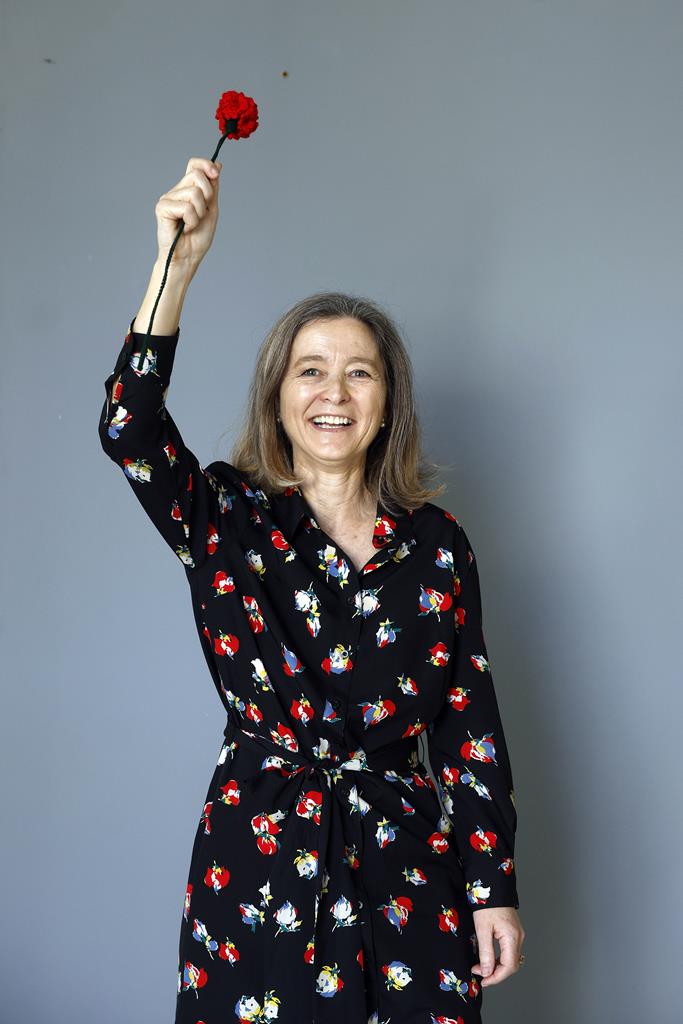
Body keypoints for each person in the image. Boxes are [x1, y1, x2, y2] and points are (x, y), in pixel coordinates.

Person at [98, 157, 526, 1024]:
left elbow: (468, 727)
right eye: (310, 370)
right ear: (278, 396)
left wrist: (491, 888)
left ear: (387, 402)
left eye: (359, 372)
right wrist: (175, 267)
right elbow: (128, 426)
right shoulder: (223, 516)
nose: (334, 392)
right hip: (262, 860)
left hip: (406, 863)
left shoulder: (437, 547)